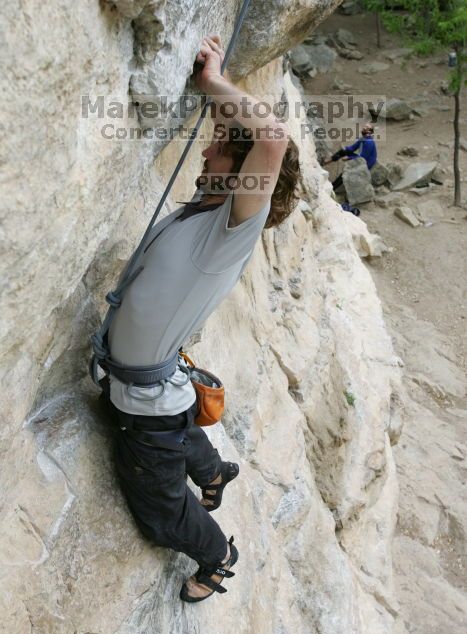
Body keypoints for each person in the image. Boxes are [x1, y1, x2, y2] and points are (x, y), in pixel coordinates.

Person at [99, 34, 301, 603]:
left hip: (147, 403)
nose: (206, 154)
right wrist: (220, 93)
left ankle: (217, 556)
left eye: (218, 150)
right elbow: (244, 141)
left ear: (242, 176)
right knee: (162, 426)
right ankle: (212, 473)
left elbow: (271, 138)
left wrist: (214, 80)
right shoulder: (207, 211)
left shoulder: (229, 232)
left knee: (160, 512)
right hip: (152, 388)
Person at [323, 123, 377, 191]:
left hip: (366, 163)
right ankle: (327, 161)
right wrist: (345, 149)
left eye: (366, 127)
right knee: (343, 151)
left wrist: (349, 158)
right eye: (364, 126)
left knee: (346, 172)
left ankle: (332, 188)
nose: (363, 128)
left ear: (369, 132)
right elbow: (353, 147)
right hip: (361, 157)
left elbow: (363, 158)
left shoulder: (369, 142)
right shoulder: (363, 138)